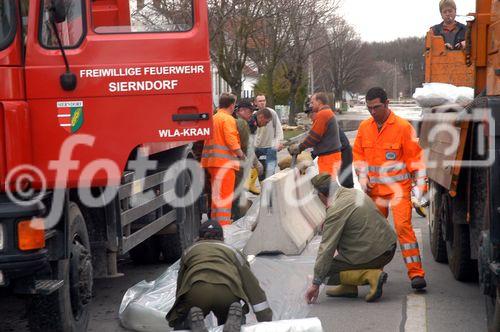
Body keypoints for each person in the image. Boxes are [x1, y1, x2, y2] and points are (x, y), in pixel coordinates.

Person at [353, 87, 428, 290]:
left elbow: (415, 160)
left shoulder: (403, 128)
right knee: (376, 234)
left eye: (376, 107)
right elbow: (359, 155)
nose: (372, 111)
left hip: (398, 191)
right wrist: (362, 176)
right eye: (369, 108)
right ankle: (376, 273)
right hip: (374, 191)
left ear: (387, 104)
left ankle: (416, 274)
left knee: (403, 228)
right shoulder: (364, 127)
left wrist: (421, 188)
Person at [304, 173, 397, 304]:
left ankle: (371, 276)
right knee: (345, 240)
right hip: (388, 246)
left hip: (376, 254)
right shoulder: (353, 192)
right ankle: (348, 287)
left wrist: (315, 284)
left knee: (323, 271)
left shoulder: (336, 209)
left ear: (321, 195)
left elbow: (326, 249)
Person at [166, 220, 273, 332]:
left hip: (197, 292)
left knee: (186, 318)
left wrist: (178, 315)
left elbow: (181, 285)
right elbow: (251, 286)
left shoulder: (189, 252)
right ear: (222, 238)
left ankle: (190, 323)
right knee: (232, 313)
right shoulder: (233, 252)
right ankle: (232, 321)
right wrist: (265, 319)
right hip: (228, 293)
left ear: (199, 237)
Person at [201, 93, 245, 226]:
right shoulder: (228, 119)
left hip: (212, 164)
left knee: (216, 197)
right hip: (225, 164)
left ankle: (215, 225)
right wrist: (242, 155)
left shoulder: (214, 118)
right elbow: (231, 140)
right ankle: (224, 227)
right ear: (232, 105)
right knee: (225, 198)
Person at [288, 92, 342, 178]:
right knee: (328, 184)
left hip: (329, 158)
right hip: (331, 156)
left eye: (312, 102)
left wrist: (300, 147)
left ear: (319, 102)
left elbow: (314, 137)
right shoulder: (327, 113)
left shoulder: (323, 114)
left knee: (327, 185)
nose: (311, 105)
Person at [232, 101, 270, 219]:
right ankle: (237, 220)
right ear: (241, 110)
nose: (251, 114)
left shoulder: (232, 120)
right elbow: (247, 147)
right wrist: (255, 163)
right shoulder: (242, 123)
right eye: (250, 111)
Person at [253, 94, 284, 180]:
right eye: (260, 101)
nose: (262, 103)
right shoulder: (254, 115)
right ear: (255, 103)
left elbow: (278, 128)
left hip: (270, 147)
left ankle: (270, 191)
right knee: (260, 173)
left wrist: (279, 142)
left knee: (270, 172)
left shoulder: (272, 113)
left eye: (264, 100)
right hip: (258, 148)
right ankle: (263, 190)